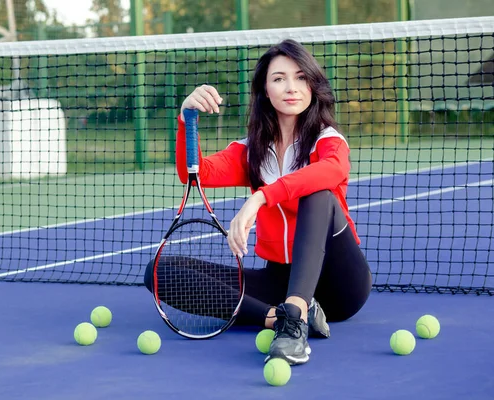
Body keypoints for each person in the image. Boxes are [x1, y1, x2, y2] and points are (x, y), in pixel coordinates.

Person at [144, 39, 372, 366]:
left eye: (300, 77)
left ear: (312, 84)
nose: (291, 87)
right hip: (280, 277)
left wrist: (261, 197)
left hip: (340, 284)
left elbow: (329, 172)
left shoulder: (328, 141)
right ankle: (276, 318)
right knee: (158, 272)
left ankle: (294, 319)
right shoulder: (251, 150)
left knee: (317, 192)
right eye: (279, 78)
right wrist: (187, 118)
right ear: (266, 90)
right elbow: (194, 172)